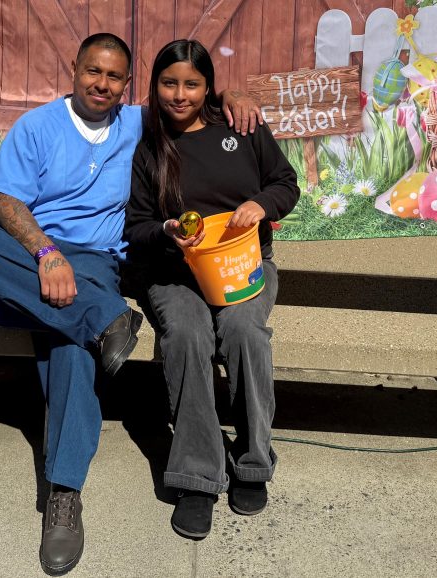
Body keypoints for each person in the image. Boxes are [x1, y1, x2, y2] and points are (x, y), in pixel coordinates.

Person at [0, 33, 262, 576]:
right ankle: (105, 322)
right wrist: (46, 254)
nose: (102, 84)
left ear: (127, 83)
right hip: (38, 256)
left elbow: (190, 94)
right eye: (93, 72)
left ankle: (63, 495)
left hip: (96, 262)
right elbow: (4, 199)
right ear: (73, 70)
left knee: (68, 345)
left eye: (115, 77)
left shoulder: (137, 122)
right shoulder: (37, 126)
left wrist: (233, 95)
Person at [124, 39, 299, 540]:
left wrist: (262, 204)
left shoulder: (239, 126)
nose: (180, 95)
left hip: (243, 265)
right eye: (169, 83)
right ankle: (197, 476)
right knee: (186, 334)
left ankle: (252, 460)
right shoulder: (148, 147)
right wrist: (167, 231)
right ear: (155, 85)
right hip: (175, 274)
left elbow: (286, 182)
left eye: (192, 84)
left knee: (244, 331)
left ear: (208, 87)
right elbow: (136, 225)